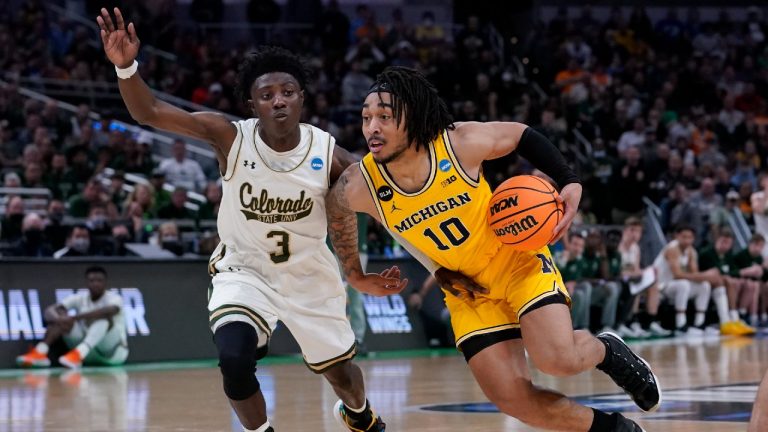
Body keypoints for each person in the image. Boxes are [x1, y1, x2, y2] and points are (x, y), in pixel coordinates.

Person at [97, 8, 396, 432]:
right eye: (267, 94)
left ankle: (360, 414)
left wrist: (365, 272)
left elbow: (379, 206)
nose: (279, 100)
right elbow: (150, 112)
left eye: (288, 91)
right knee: (234, 360)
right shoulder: (230, 137)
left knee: (342, 376)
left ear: (302, 98)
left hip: (308, 274)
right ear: (253, 104)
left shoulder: (327, 153)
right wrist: (126, 67)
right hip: (245, 271)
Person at [326, 66, 658, 431]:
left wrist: (569, 180)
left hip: (515, 261)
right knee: (512, 399)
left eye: (384, 117)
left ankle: (607, 350)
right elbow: (336, 209)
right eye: (366, 118)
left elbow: (520, 135)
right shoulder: (362, 183)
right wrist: (354, 274)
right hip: (466, 290)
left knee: (557, 360)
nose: (372, 128)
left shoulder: (458, 143)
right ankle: (614, 430)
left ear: (413, 117)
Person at [16, 266, 128, 369]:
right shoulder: (80, 297)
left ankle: (78, 354)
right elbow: (50, 311)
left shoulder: (114, 298)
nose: (95, 284)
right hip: (87, 355)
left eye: (99, 281)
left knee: (104, 319)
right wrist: (60, 319)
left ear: (105, 282)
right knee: (62, 318)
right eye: (92, 281)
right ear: (86, 282)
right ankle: (40, 353)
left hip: (112, 353)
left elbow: (108, 311)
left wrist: (75, 317)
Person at [652, 225, 725, 335]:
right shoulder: (672, 249)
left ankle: (699, 323)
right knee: (684, 284)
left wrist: (706, 277)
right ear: (677, 236)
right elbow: (677, 275)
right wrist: (706, 275)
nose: (687, 240)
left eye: (690, 237)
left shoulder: (691, 251)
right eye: (684, 237)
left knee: (704, 285)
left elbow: (694, 274)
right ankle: (680, 324)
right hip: (662, 285)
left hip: (676, 286)